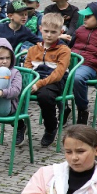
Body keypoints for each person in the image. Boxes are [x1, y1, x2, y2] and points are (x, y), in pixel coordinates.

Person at [24, 13, 71, 148]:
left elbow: (58, 74)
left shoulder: (64, 50)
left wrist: (39, 84)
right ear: (40, 29)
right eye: (46, 31)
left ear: (61, 32)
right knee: (12, 92)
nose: (49, 35)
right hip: (35, 80)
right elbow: (27, 69)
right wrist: (31, 82)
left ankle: (51, 127)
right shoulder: (33, 49)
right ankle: (20, 125)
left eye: (53, 32)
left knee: (45, 96)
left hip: (54, 82)